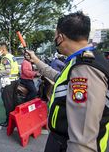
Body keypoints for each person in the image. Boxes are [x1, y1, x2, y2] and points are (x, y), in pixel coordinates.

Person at [26, 12, 109, 152]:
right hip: (60, 140)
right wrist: (36, 61)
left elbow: (82, 141)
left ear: (60, 37)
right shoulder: (79, 61)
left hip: (66, 145)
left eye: (55, 36)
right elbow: (60, 79)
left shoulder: (85, 70)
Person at [0, 42, 19, 127]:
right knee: (14, 101)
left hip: (8, 82)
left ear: (3, 49)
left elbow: (7, 70)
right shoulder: (12, 56)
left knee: (8, 103)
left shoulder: (5, 58)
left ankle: (9, 122)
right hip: (15, 81)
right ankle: (15, 120)